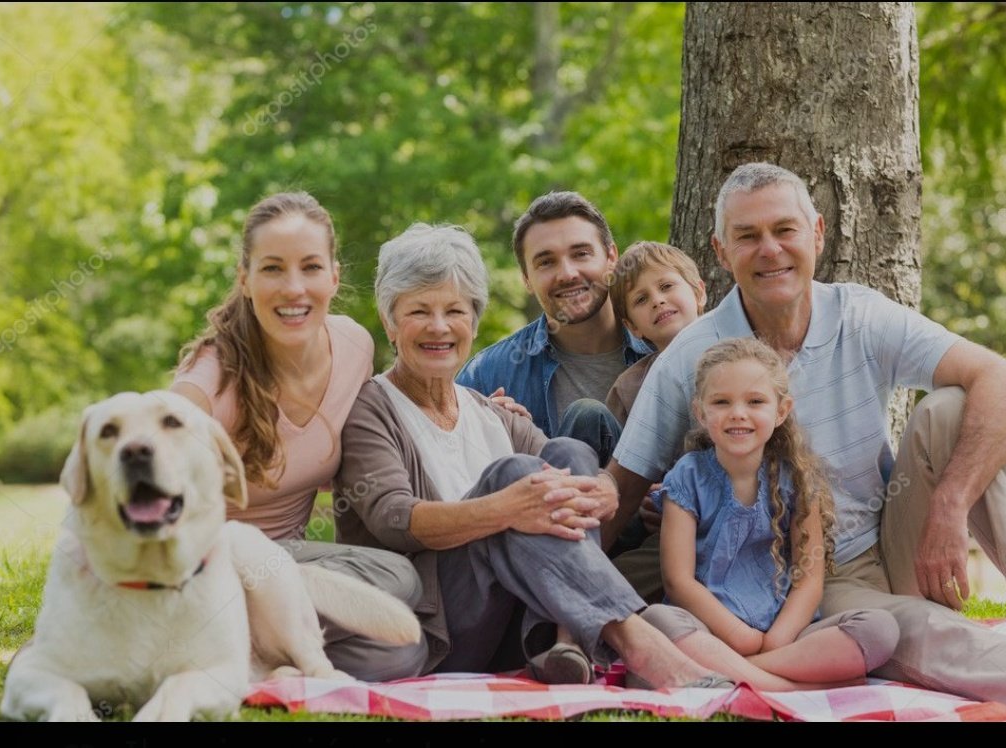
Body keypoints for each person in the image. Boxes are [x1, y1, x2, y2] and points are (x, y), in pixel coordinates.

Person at [606, 163, 1006, 712]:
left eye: (785, 230)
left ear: (817, 233)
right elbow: (622, 486)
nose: (770, 249)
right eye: (747, 236)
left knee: (961, 407)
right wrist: (572, 593)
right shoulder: (691, 355)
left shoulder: (860, 314)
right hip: (807, 580)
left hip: (894, 533)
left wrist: (949, 506)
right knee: (927, 634)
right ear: (721, 253)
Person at [334, 222, 820, 691]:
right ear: (389, 322)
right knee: (515, 475)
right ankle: (635, 639)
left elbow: (576, 474)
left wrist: (625, 496)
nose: (439, 327)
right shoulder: (372, 407)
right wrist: (505, 507)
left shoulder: (491, 414)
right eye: (420, 311)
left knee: (568, 451)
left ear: (474, 320)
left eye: (456, 311)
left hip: (514, 632)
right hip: (431, 629)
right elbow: (393, 519)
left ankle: (570, 638)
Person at [171, 191, 426, 682]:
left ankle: (246, 656)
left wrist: (482, 407)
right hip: (210, 570)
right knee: (398, 579)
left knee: (399, 656)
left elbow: (379, 428)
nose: (294, 288)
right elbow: (149, 446)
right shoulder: (211, 378)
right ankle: (221, 637)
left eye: (310, 267)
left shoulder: (353, 345)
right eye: (272, 269)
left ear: (333, 275)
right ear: (244, 279)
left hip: (285, 568)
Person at [658, 338, 898, 684]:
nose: (738, 413)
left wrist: (774, 641)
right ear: (700, 412)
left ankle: (742, 677)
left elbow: (809, 579)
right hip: (709, 630)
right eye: (721, 402)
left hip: (783, 633)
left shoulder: (798, 478)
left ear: (781, 410)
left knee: (878, 630)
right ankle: (787, 687)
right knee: (659, 622)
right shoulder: (688, 476)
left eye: (755, 401)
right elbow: (677, 581)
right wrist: (741, 638)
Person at [456, 191, 650, 465]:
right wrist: (486, 437)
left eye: (581, 254)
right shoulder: (487, 376)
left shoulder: (667, 348)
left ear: (611, 258)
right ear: (526, 278)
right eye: (546, 262)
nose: (568, 274)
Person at [603, 241, 706, 585]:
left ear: (699, 292)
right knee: (617, 580)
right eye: (641, 300)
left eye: (665, 287)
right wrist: (649, 497)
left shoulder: (739, 354)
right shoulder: (629, 387)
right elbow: (624, 470)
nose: (658, 300)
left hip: (737, 513)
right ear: (634, 327)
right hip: (664, 533)